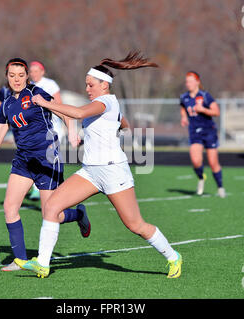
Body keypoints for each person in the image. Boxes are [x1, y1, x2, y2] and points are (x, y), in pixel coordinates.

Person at [14, 51, 183, 279]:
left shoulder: (104, 101)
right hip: (91, 171)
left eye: (90, 85)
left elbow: (78, 113)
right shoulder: (106, 104)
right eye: (86, 85)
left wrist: (45, 103)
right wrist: (96, 136)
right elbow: (123, 123)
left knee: (135, 225)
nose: (87, 89)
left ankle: (173, 256)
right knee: (52, 207)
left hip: (113, 171)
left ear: (104, 85)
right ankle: (43, 264)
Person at [0, 58, 90, 271]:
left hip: (47, 159)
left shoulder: (37, 93)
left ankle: (79, 214)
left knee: (51, 214)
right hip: (23, 160)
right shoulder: (6, 104)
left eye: (21, 75)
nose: (16, 79)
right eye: (12, 75)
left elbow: (63, 112)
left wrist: (72, 132)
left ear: (27, 76)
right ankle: (21, 260)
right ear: (6, 77)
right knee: (10, 207)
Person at [179, 71, 226, 198]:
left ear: (197, 82)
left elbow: (216, 112)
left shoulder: (205, 96)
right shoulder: (184, 97)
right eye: (186, 81)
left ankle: (220, 187)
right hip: (194, 132)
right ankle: (201, 178)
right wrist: (184, 117)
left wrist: (203, 110)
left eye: (190, 81)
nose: (188, 83)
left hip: (209, 131)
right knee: (195, 160)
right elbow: (183, 107)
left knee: (213, 162)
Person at [29, 61, 66, 144]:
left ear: (42, 72)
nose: (33, 74)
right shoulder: (29, 85)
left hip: (51, 122)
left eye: (36, 71)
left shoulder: (50, 84)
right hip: (35, 125)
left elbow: (59, 103)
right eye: (31, 72)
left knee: (51, 152)